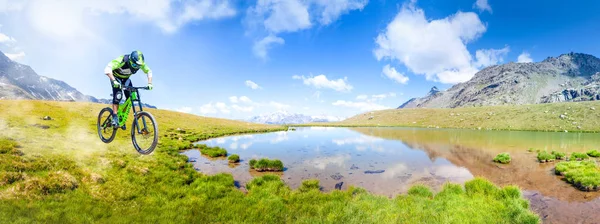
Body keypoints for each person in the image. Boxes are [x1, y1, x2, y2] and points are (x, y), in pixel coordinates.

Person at [104, 50, 153, 128]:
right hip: (116, 78)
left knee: (132, 96)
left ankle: (122, 118)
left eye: (138, 66)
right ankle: (115, 117)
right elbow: (107, 69)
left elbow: (149, 71)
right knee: (118, 96)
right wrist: (113, 80)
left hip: (126, 79)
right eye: (134, 65)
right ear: (130, 60)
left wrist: (149, 83)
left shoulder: (140, 63)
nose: (136, 67)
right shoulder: (122, 60)